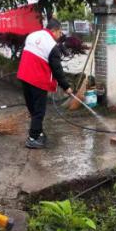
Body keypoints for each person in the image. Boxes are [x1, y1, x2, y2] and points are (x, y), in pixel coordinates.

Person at [17, 18, 73, 149]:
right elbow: (57, 69)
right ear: (53, 30)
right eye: (59, 32)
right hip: (38, 80)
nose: (60, 36)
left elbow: (22, 55)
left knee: (33, 108)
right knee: (39, 110)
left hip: (24, 77)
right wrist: (66, 87)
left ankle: (38, 132)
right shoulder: (52, 45)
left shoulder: (32, 36)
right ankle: (33, 138)